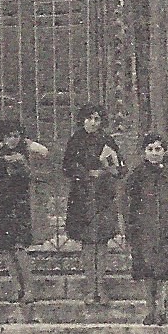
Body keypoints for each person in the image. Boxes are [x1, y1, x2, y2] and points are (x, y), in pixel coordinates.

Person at [62, 104, 124, 304]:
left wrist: (107, 170)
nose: (94, 123)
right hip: (82, 197)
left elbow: (120, 167)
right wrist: (86, 173)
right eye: (90, 118)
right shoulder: (75, 141)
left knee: (102, 243)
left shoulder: (107, 140)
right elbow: (67, 166)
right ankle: (90, 287)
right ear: (82, 120)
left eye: (97, 119)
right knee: (88, 244)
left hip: (103, 197)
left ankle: (101, 285)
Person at [125, 132, 168, 326]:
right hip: (144, 229)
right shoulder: (137, 174)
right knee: (147, 271)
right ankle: (149, 308)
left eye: (158, 149)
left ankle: (161, 308)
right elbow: (129, 201)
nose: (154, 153)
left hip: (167, 228)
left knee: (163, 272)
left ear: (165, 151)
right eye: (150, 149)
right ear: (144, 152)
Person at [0, 118, 49, 319]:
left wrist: (26, 146)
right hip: (3, 204)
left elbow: (44, 152)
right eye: (8, 136)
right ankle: (16, 287)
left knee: (19, 247)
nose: (12, 140)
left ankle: (29, 288)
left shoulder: (24, 153)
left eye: (16, 136)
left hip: (20, 205)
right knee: (6, 248)